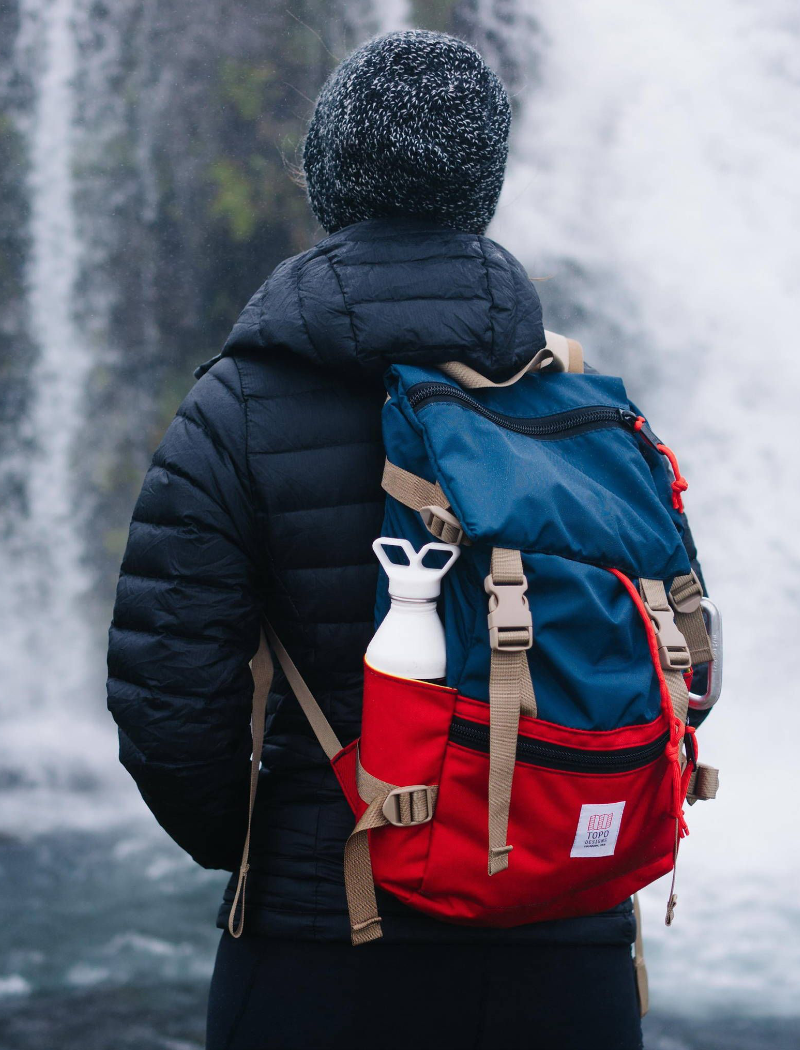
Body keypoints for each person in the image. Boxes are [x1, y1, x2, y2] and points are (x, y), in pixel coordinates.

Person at [108, 29, 707, 1050]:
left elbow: (169, 700)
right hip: (569, 954)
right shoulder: (585, 412)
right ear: (485, 188)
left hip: (324, 949)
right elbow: (689, 668)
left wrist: (264, 842)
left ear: (326, 174)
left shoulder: (236, 406)